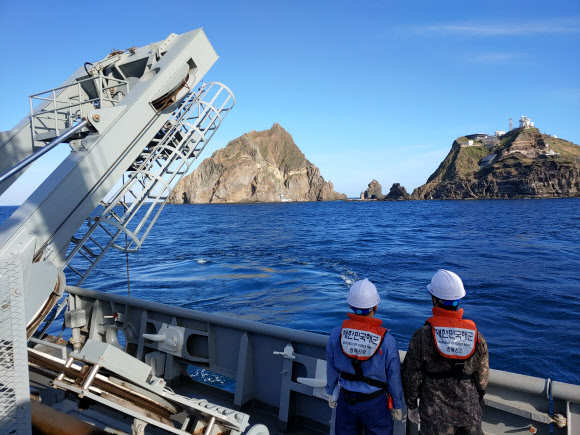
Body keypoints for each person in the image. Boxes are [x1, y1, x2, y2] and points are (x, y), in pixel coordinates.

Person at [402, 269, 489, 435]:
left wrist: (412, 405)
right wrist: (477, 397)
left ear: (434, 299)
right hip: (469, 412)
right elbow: (482, 377)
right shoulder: (477, 337)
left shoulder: (421, 337)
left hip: (435, 417)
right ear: (459, 300)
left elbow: (411, 375)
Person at [326, 278, 404, 435]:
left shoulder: (336, 334)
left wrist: (331, 392)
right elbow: (394, 377)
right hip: (375, 404)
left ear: (351, 306)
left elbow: (332, 367)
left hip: (346, 401)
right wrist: (396, 404)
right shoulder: (387, 341)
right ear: (375, 306)